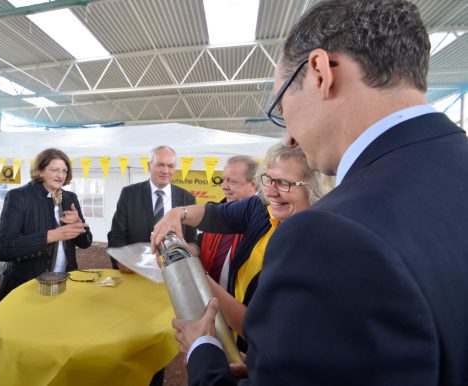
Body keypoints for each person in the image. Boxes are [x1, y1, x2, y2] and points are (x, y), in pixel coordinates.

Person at [169, 1, 468, 385]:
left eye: (282, 107)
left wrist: (202, 350)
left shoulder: (330, 234)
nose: (290, 136)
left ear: (321, 72)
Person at [152, 143, 333, 350]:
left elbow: (259, 328)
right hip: (236, 341)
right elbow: (215, 214)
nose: (271, 192)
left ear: (314, 188)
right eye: (268, 180)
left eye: (283, 183)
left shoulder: (314, 247)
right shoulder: (262, 209)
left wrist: (195, 273)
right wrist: (176, 214)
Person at [107, 145, 196, 386]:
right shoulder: (129, 194)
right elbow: (116, 235)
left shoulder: (186, 198)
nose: (165, 170)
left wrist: (189, 254)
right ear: (149, 166)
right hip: (135, 279)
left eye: (170, 165)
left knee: (160, 337)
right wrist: (121, 261)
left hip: (171, 281)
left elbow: (193, 241)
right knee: (132, 334)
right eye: (160, 164)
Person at [0, 148, 92, 303]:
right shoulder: (18, 197)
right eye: (55, 170)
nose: (60, 175)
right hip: (26, 287)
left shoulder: (69, 197)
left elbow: (86, 243)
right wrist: (52, 235)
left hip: (65, 284)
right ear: (40, 171)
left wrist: (79, 224)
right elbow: (2, 248)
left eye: (64, 171)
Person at [198, 155, 258, 288]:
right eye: (223, 180)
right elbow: (201, 246)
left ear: (253, 184)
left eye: (232, 181)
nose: (224, 187)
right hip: (207, 298)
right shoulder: (213, 213)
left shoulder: (266, 223)